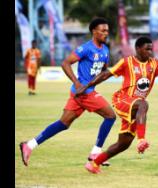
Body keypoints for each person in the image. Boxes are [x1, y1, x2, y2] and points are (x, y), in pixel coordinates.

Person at [77, 36, 158, 174]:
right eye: (147, 49)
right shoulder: (127, 62)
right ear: (138, 49)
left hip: (135, 107)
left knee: (123, 144)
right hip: (122, 100)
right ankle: (142, 140)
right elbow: (106, 74)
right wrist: (87, 86)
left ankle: (94, 164)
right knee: (143, 104)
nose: (150, 51)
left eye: (151, 49)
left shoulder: (155, 64)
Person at [20, 17, 116, 167]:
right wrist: (78, 83)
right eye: (103, 31)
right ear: (94, 31)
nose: (106, 33)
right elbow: (65, 63)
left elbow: (103, 71)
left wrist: (104, 75)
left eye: (107, 31)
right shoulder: (85, 48)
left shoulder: (105, 50)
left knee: (63, 123)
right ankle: (96, 152)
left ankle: (29, 145)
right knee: (110, 116)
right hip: (84, 93)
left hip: (82, 92)